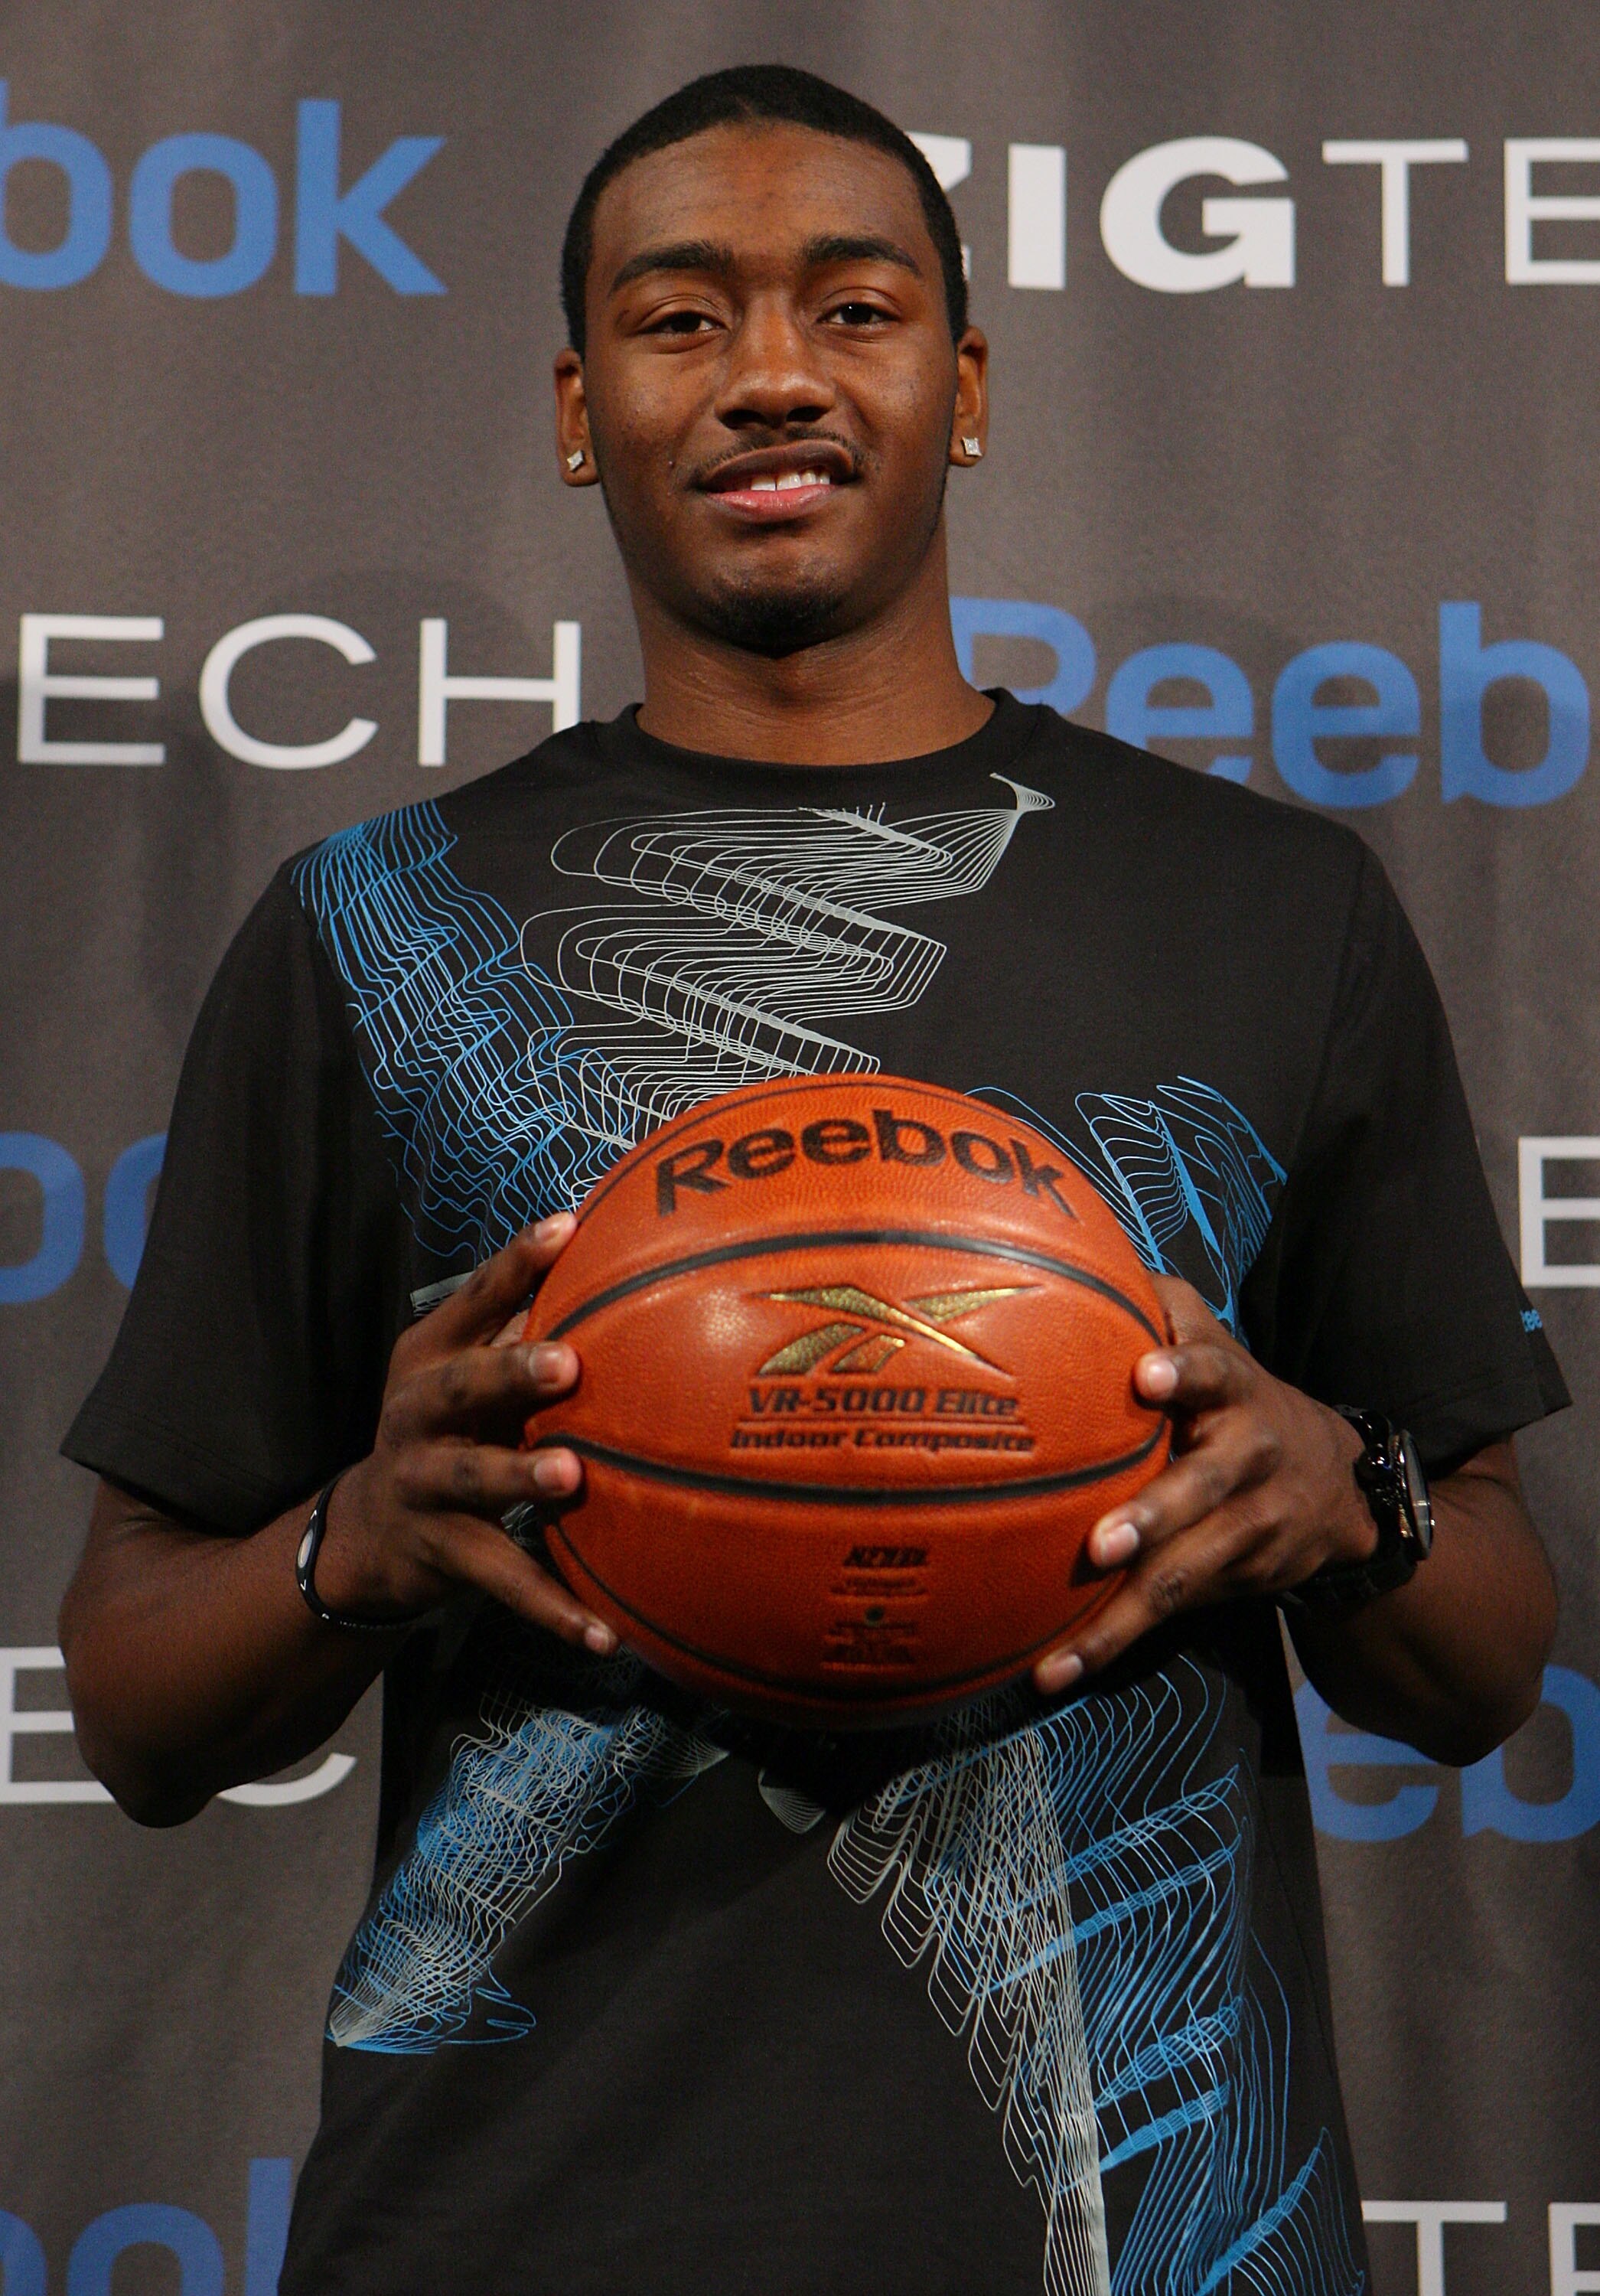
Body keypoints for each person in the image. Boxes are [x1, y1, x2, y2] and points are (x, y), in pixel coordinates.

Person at [59, 64, 1564, 2296]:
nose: (771, 372)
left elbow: (1487, 1661)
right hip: (511, 2227)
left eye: (851, 310)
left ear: (958, 387)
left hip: (1141, 2245)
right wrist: (358, 1542)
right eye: (681, 320)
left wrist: (1352, 1497)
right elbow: (132, 1702)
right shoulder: (367, 930)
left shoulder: (1271, 909)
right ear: (579, 413)